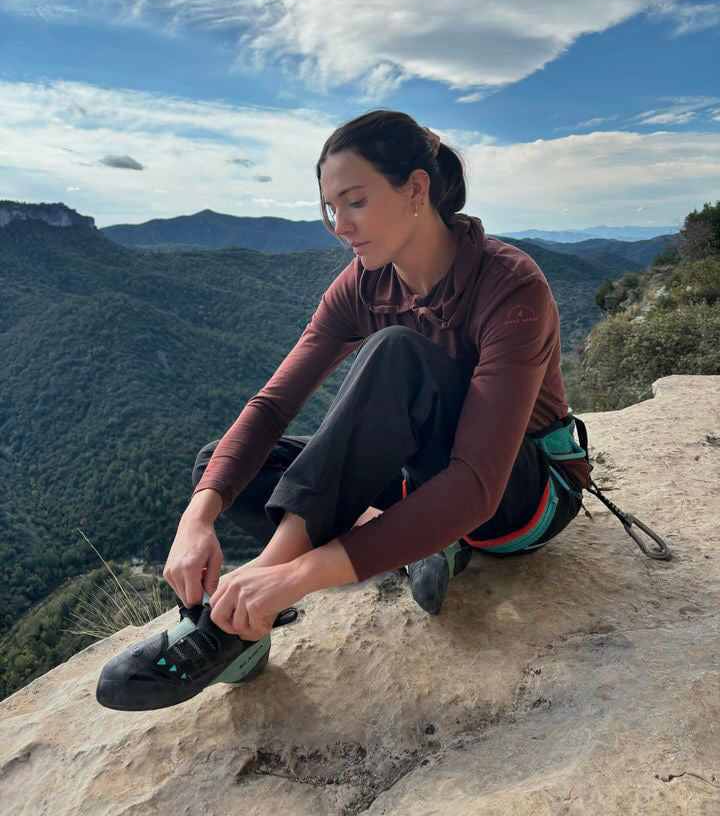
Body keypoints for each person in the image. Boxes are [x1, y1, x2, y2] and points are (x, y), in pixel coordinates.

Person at [96, 109, 591, 712]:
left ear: (415, 188)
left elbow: (477, 484)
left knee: (396, 356)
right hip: (424, 483)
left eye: (354, 202)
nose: (339, 225)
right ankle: (406, 551)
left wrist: (292, 576)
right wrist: (197, 517)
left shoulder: (509, 284)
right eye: (330, 208)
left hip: (523, 496)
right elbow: (275, 404)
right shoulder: (364, 285)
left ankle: (240, 619)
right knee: (220, 469)